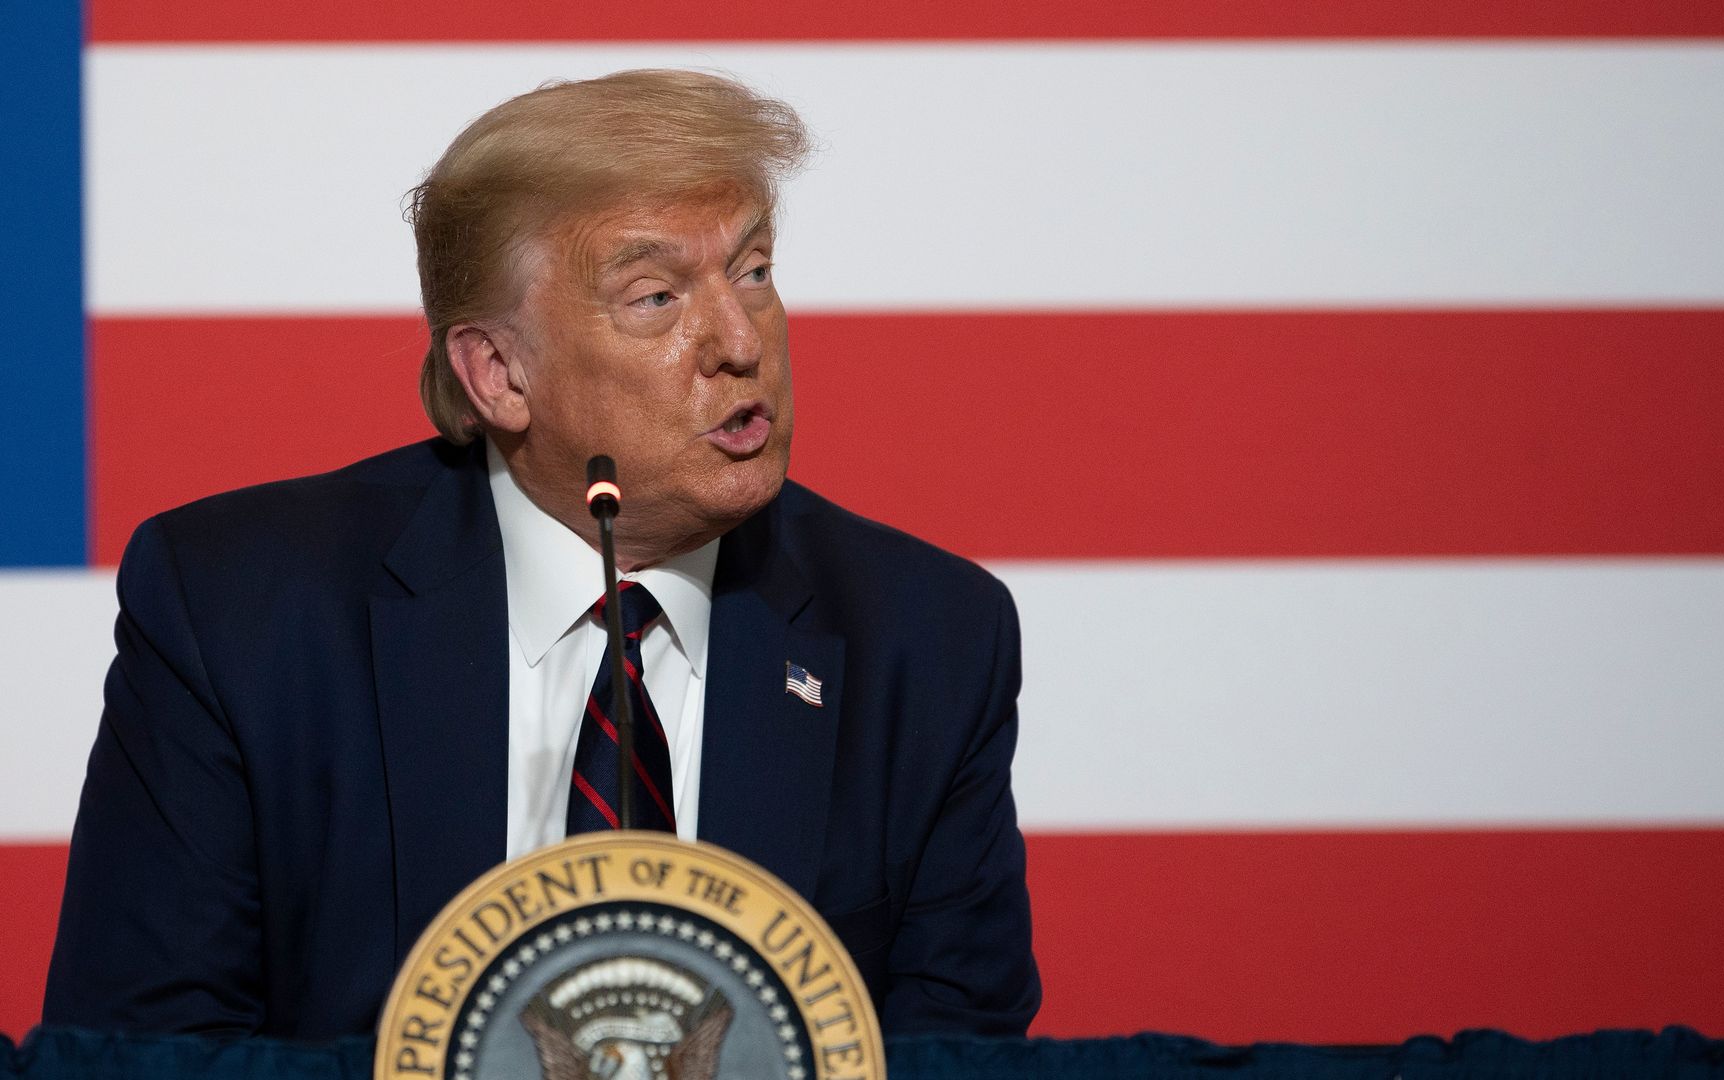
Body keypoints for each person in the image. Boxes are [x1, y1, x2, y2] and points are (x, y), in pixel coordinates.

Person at [43, 69, 1040, 1040]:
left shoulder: (927, 640)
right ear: (499, 373)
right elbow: (141, 1053)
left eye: (755, 272)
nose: (741, 340)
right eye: (656, 296)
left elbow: (956, 1055)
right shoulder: (241, 615)